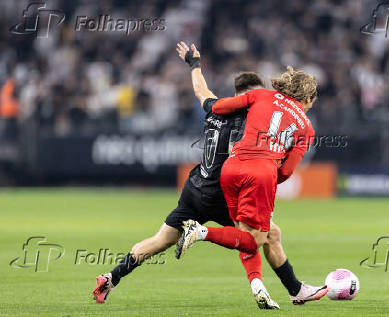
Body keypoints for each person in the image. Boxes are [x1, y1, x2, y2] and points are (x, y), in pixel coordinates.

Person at [92, 42, 304, 309]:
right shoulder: (249, 122)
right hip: (222, 193)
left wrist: (194, 64)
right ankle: (279, 288)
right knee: (262, 235)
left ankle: (111, 277)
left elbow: (200, 90)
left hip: (194, 187)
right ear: (254, 97)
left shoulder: (216, 109)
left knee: (160, 241)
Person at [176, 64, 329, 305]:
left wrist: (206, 99)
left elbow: (217, 106)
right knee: (255, 240)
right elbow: (287, 171)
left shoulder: (262, 95)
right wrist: (266, 177)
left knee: (246, 233)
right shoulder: (306, 128)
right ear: (308, 98)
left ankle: (288, 289)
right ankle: (200, 232)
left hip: (231, 167)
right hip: (260, 174)